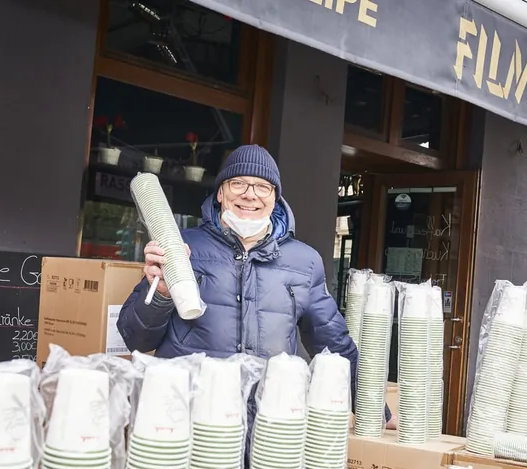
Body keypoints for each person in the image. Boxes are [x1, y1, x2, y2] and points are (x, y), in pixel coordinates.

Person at [117, 144, 395, 429]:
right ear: (221, 193)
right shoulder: (182, 248)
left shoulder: (304, 262)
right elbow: (136, 339)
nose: (250, 194)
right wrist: (161, 293)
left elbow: (332, 342)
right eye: (238, 183)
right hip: (188, 417)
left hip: (267, 423)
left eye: (263, 187)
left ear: (275, 198)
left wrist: (375, 410)